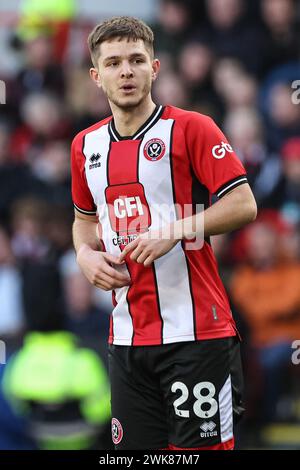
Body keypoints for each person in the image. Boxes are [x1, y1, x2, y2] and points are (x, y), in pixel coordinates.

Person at [71, 16, 257, 450]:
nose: (127, 71)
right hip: (127, 337)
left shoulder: (192, 128)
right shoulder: (84, 146)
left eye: (137, 60)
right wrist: (84, 255)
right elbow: (83, 221)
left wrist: (175, 230)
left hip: (196, 334)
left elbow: (244, 204)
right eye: (114, 63)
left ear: (155, 68)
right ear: (97, 77)